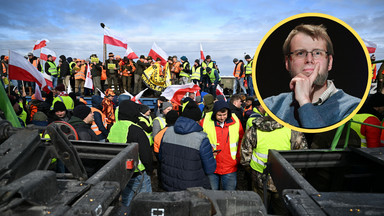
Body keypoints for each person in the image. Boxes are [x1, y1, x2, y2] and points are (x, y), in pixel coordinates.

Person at [263, 24, 360, 128]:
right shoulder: (271, 105)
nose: (309, 59)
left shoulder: (352, 107)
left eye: (317, 53)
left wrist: (304, 102)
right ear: (287, 63)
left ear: (330, 62)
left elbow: (323, 141)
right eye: (300, 53)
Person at [240, 115, 307, 214]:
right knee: (281, 211)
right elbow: (301, 157)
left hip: (259, 178)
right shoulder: (293, 130)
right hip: (283, 180)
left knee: (258, 210)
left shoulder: (253, 130)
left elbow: (245, 156)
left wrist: (252, 173)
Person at [159, 102, 216, 191]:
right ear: (198, 120)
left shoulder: (167, 132)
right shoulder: (201, 138)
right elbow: (210, 169)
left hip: (169, 183)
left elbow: (161, 156)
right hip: (192, 187)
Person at [107, 100, 153, 207]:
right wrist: (149, 170)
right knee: (145, 203)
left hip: (120, 171)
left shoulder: (114, 127)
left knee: (126, 200)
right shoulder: (136, 130)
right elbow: (145, 154)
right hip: (137, 173)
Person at [201, 100, 244, 190]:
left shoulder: (236, 121)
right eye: (219, 115)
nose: (222, 118)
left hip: (230, 166)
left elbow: (241, 140)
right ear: (214, 114)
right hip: (212, 165)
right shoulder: (205, 122)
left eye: (224, 115)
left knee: (229, 196)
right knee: (212, 196)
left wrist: (238, 158)